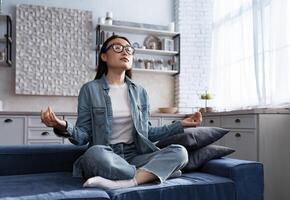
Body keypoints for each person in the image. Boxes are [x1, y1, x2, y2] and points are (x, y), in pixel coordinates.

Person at [41, 35, 202, 189]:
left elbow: (147, 133)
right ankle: (154, 173)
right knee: (93, 154)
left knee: (180, 153)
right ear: (104, 56)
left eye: (129, 49)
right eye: (118, 48)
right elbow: (82, 136)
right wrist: (62, 125)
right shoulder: (90, 89)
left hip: (136, 155)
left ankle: (128, 181)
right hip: (107, 154)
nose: (125, 52)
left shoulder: (140, 92)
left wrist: (181, 125)